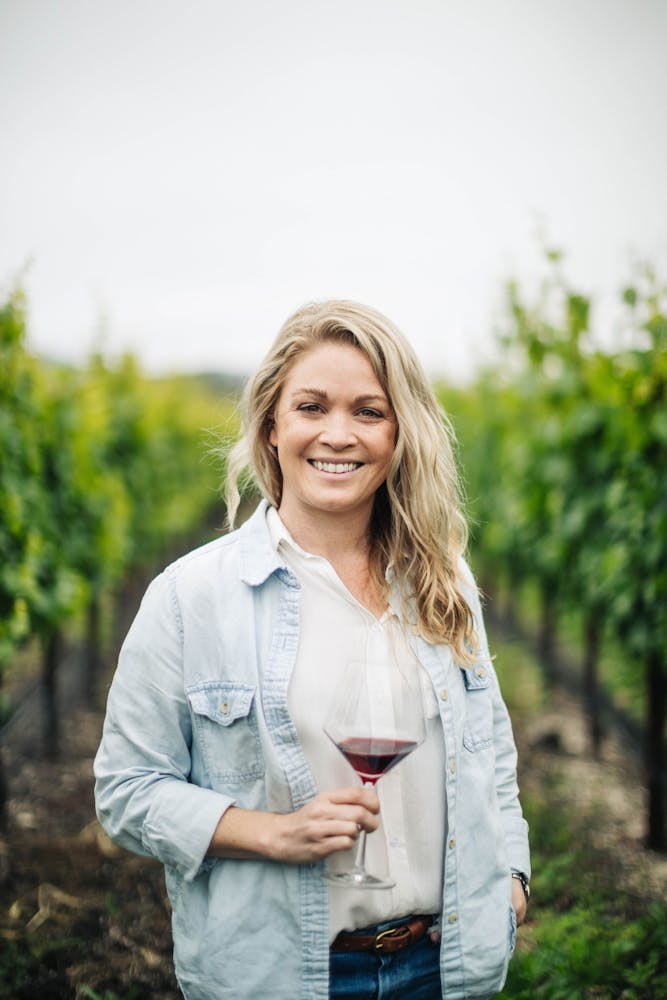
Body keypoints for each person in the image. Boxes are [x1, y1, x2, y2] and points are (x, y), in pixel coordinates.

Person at [94, 299, 530, 1000]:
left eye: (368, 411)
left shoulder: (442, 582)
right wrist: (269, 833)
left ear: (399, 432)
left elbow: (493, 753)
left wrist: (510, 880)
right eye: (310, 407)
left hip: (442, 968)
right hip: (282, 974)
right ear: (271, 426)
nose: (338, 434)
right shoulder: (192, 597)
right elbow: (126, 791)